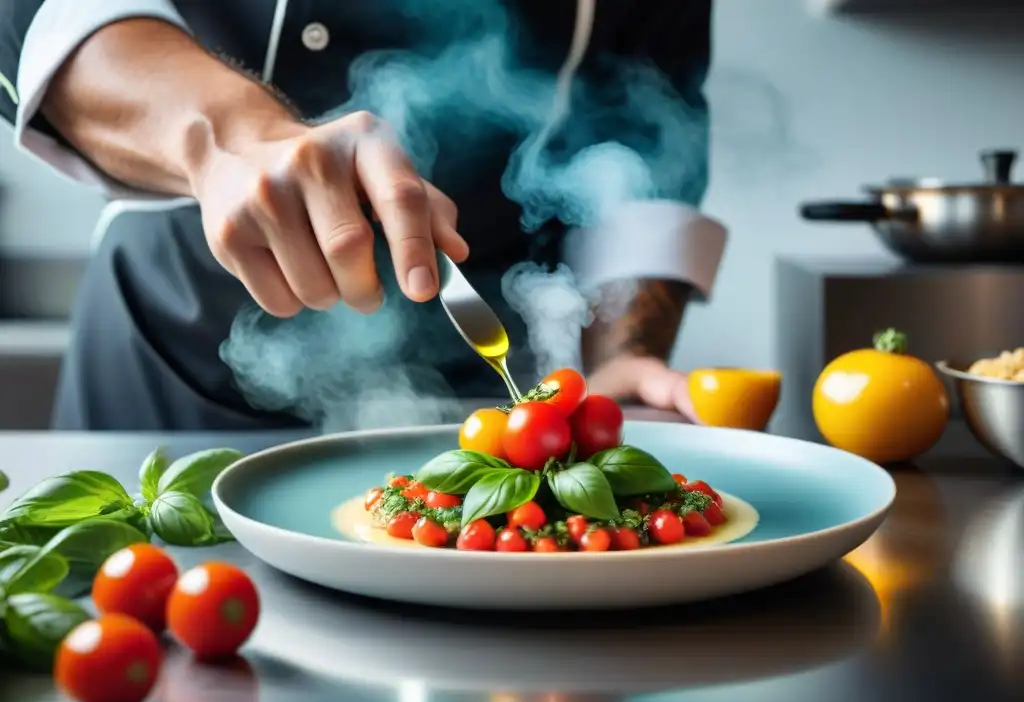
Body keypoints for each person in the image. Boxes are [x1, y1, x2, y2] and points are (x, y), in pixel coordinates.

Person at [0, 0, 726, 431]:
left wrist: (624, 349)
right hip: (175, 352)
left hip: (481, 382)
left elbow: (647, 116)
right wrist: (233, 138)